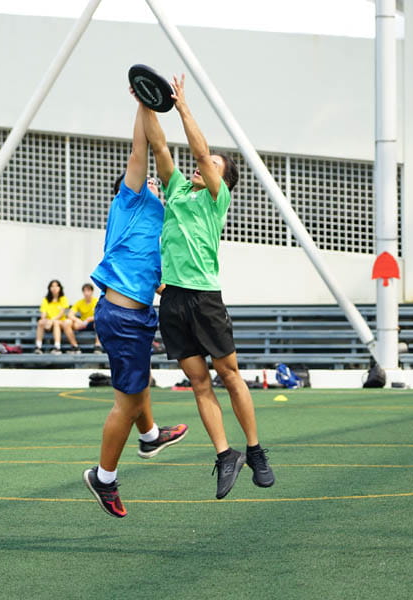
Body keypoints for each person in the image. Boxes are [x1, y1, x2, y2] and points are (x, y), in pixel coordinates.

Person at [142, 73, 274, 499]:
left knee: (229, 375)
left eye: (213, 165)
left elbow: (198, 152)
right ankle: (225, 455)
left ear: (222, 179)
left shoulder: (217, 200)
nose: (203, 166)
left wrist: (182, 106)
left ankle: (255, 451)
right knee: (199, 382)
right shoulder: (178, 189)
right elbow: (160, 147)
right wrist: (146, 103)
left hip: (204, 297)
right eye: (205, 164)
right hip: (173, 299)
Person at [83, 99, 188, 518]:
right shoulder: (128, 201)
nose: (143, 180)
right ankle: (103, 478)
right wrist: (146, 101)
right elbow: (141, 150)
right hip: (123, 316)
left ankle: (149, 437)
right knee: (126, 401)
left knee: (138, 384)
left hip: (138, 315)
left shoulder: (161, 214)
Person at [34, 279, 77, 354]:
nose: (54, 288)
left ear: (60, 288)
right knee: (40, 322)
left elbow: (61, 313)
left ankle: (57, 347)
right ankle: (38, 346)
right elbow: (43, 313)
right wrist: (45, 320)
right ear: (49, 288)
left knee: (56, 323)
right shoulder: (45, 300)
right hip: (49, 322)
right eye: (52, 286)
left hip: (60, 322)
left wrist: (52, 321)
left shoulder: (63, 299)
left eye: (56, 286)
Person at [66, 283, 102, 353]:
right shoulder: (79, 302)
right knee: (67, 323)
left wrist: (89, 319)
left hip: (93, 322)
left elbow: (101, 314)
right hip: (83, 323)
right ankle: (75, 347)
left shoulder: (97, 301)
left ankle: (98, 346)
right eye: (84, 291)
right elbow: (70, 314)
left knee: (99, 322)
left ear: (92, 292)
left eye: (88, 291)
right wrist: (77, 320)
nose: (86, 293)